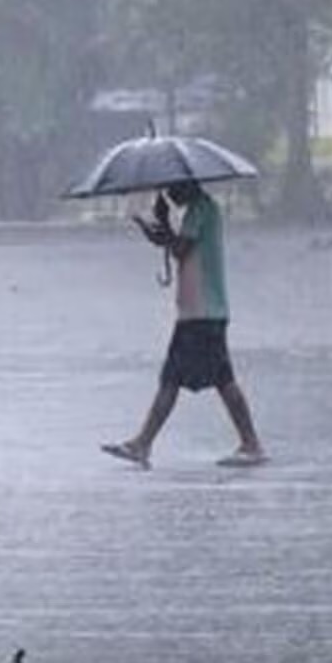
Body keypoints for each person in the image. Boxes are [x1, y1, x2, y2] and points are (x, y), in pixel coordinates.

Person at [102, 180, 266, 469]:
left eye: (173, 188)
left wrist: (163, 223)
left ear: (187, 184)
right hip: (199, 311)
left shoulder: (200, 210)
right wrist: (157, 229)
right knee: (194, 378)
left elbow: (181, 249)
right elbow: (178, 245)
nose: (170, 194)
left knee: (200, 379)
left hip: (202, 312)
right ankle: (143, 443)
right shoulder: (201, 210)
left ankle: (250, 444)